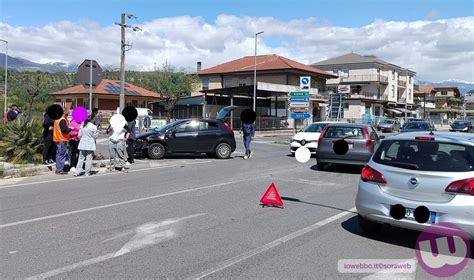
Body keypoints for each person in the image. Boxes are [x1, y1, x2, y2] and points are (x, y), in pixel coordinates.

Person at [53, 108, 72, 175]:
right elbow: (64, 130)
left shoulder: (57, 119)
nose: (69, 113)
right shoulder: (62, 119)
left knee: (58, 154)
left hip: (57, 138)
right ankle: (60, 170)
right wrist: (70, 129)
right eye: (68, 112)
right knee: (61, 154)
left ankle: (58, 169)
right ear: (65, 112)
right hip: (62, 139)